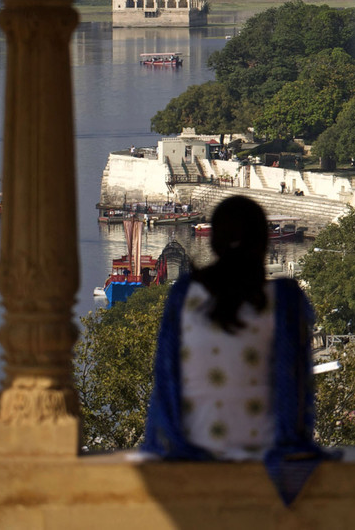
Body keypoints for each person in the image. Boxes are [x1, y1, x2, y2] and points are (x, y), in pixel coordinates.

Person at [141, 196, 329, 504]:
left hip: (193, 459)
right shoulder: (284, 301)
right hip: (266, 466)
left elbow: (165, 384)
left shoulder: (184, 295)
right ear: (262, 244)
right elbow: (294, 395)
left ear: (213, 243)